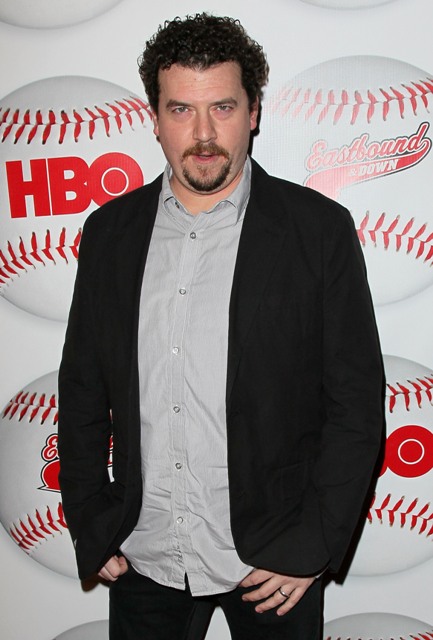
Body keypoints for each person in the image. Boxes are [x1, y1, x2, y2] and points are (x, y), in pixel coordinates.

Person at [58, 12, 384, 640]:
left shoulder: (318, 231)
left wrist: (313, 543)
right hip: (144, 555)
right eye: (181, 109)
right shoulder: (109, 234)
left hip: (273, 563)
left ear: (254, 112)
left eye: (223, 108)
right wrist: (90, 518)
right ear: (155, 118)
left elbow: (355, 404)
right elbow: (81, 392)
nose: (203, 134)